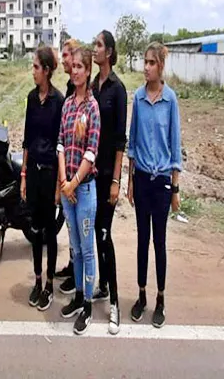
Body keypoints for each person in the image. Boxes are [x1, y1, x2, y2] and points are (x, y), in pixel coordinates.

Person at [127, 42, 182, 329]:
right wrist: (129, 182)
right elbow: (132, 142)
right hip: (141, 180)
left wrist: (175, 189)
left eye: (151, 62)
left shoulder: (170, 100)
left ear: (160, 66)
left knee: (159, 241)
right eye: (144, 62)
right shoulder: (137, 97)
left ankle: (160, 298)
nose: (145, 67)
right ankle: (141, 295)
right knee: (141, 242)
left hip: (161, 183)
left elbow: (175, 147)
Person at [57, 47, 101, 335]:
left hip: (83, 190)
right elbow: (61, 143)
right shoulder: (68, 105)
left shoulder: (92, 108)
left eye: (80, 67)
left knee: (87, 249)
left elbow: (91, 151)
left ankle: (87, 303)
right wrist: (63, 181)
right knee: (74, 247)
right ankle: (76, 297)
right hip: (68, 190)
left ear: (88, 71)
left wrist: (74, 183)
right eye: (72, 66)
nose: (74, 71)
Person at [20, 46, 64, 311]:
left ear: (47, 70)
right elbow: (26, 139)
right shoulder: (31, 98)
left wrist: (60, 183)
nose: (33, 71)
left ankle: (49, 284)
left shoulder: (59, 101)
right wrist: (24, 174)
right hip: (34, 173)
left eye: (36, 67)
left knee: (49, 230)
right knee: (34, 230)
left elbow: (60, 144)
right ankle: (37, 280)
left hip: (50, 175)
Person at [90, 30, 127, 335]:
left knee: (104, 234)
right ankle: (101, 285)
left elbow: (119, 143)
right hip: (90, 175)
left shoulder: (118, 90)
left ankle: (114, 302)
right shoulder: (92, 87)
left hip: (107, 176)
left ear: (110, 52)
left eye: (99, 45)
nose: (95, 49)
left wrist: (116, 180)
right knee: (94, 234)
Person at [56, 38, 80, 296]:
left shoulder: (81, 92)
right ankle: (73, 266)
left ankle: (79, 274)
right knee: (71, 225)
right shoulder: (68, 87)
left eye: (65, 55)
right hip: (67, 165)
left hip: (78, 169)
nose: (63, 60)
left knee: (78, 226)